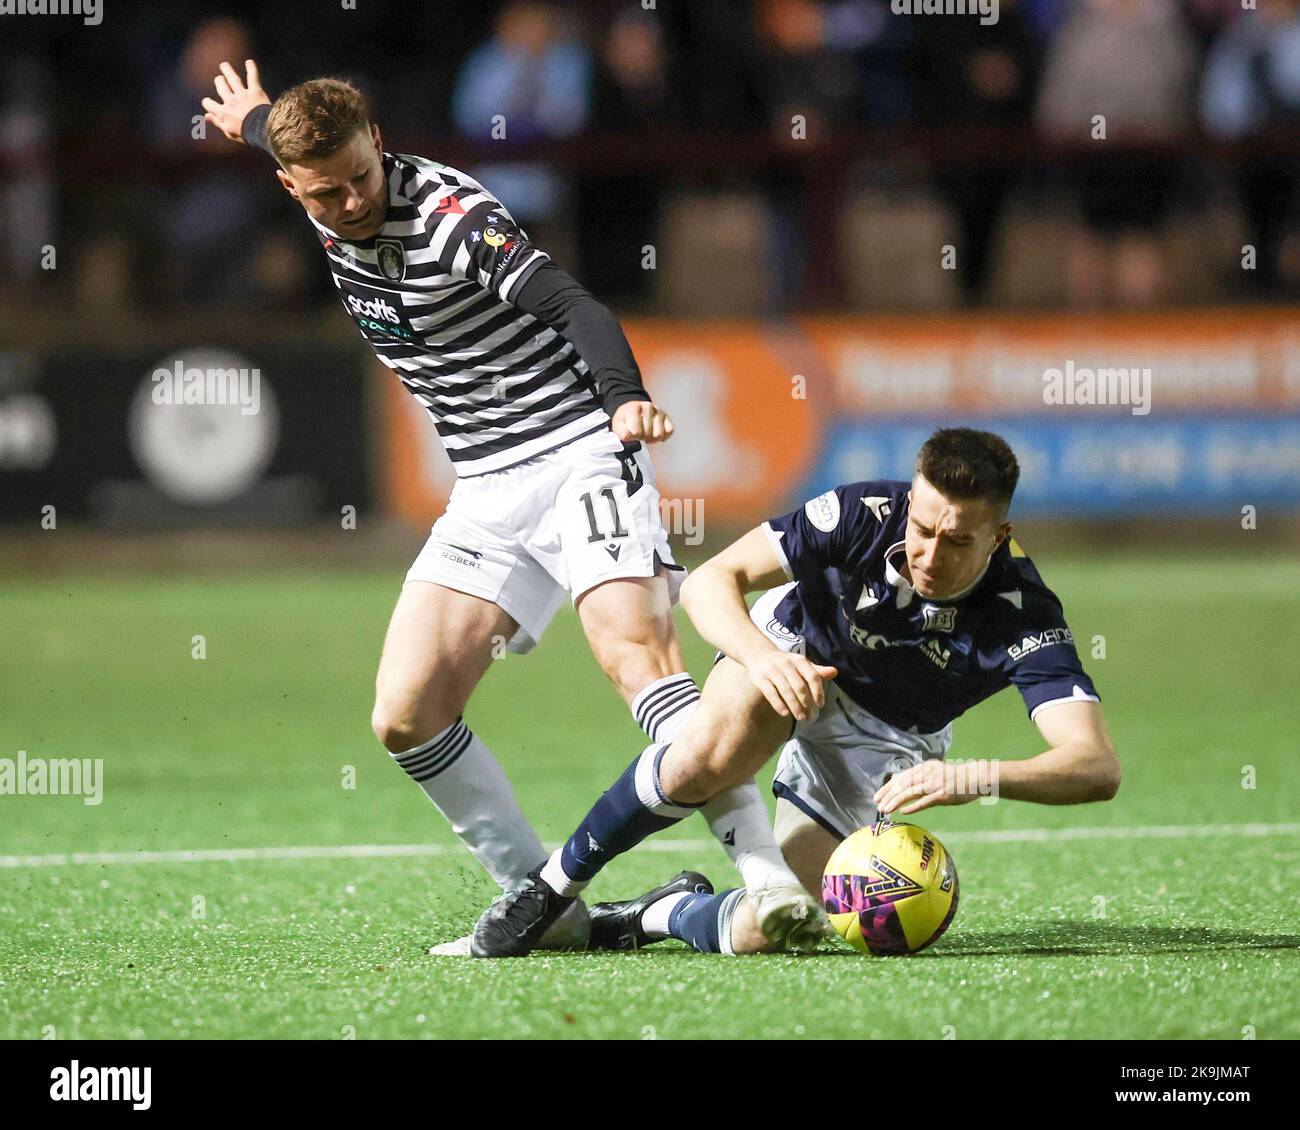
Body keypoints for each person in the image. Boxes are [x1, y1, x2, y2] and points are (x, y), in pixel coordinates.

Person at [201, 61, 790, 953]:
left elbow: (570, 303)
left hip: (580, 447)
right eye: (325, 193)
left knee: (635, 655)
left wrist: (622, 395)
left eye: (363, 176)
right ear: (289, 183)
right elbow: (279, 137)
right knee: (406, 713)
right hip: (485, 485)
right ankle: (545, 909)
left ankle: (770, 879)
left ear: (379, 146)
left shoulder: (449, 220)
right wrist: (251, 120)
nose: (352, 201)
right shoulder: (310, 173)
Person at [470, 428, 1121, 958]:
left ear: (998, 538)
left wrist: (972, 777)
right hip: (796, 648)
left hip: (885, 736)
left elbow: (1094, 766)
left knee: (793, 926)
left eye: (957, 542)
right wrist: (760, 658)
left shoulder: (1023, 610)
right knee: (709, 753)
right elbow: (712, 580)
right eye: (922, 527)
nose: (927, 552)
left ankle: (658, 914)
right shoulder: (862, 513)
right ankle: (554, 887)